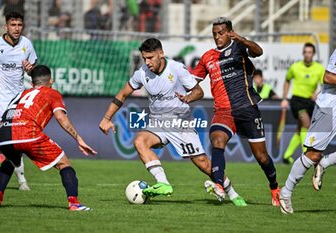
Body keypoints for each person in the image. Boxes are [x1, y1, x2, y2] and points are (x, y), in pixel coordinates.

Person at [99, 38, 247, 206]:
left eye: (150, 58)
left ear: (161, 54)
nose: (147, 62)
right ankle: (163, 183)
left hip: (180, 122)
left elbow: (198, 91)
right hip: (158, 122)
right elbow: (122, 94)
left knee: (204, 164)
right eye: (144, 58)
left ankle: (233, 193)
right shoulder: (141, 73)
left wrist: (188, 97)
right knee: (140, 141)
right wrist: (106, 118)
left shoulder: (177, 69)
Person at [191, 17, 280, 206]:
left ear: (230, 32)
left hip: (246, 108)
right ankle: (219, 185)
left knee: (261, 157)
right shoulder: (207, 57)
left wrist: (241, 39)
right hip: (223, 111)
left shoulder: (239, 48)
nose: (217, 37)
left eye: (221, 33)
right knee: (217, 140)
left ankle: (274, 187)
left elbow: (258, 51)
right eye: (214, 34)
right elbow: (192, 81)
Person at [0, 65, 97, 211]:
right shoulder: (52, 93)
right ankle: (74, 203)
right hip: (28, 134)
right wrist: (79, 139)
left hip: (5, 135)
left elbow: (2, 123)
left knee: (10, 160)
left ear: (32, 83)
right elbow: (61, 118)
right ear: (51, 81)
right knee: (64, 164)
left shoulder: (21, 94)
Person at [279, 49, 336, 214]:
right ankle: (286, 192)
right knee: (313, 154)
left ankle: (325, 163)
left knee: (318, 157)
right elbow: (328, 77)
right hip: (329, 107)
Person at [0, 11, 37, 190]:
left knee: (11, 139)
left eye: (19, 25)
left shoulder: (26, 44)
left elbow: (32, 69)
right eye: (13, 25)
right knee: (8, 134)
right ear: (6, 27)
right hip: (0, 97)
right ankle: (22, 181)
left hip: (19, 97)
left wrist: (30, 69)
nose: (17, 28)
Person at [281, 43, 324, 164]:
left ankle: (287, 156)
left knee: (300, 130)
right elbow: (287, 80)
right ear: (303, 53)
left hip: (310, 102)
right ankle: (306, 155)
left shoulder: (319, 68)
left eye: (310, 52)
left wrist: (318, 94)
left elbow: (325, 85)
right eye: (305, 52)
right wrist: (284, 98)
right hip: (297, 101)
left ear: (313, 54)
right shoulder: (295, 67)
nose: (307, 55)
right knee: (306, 123)